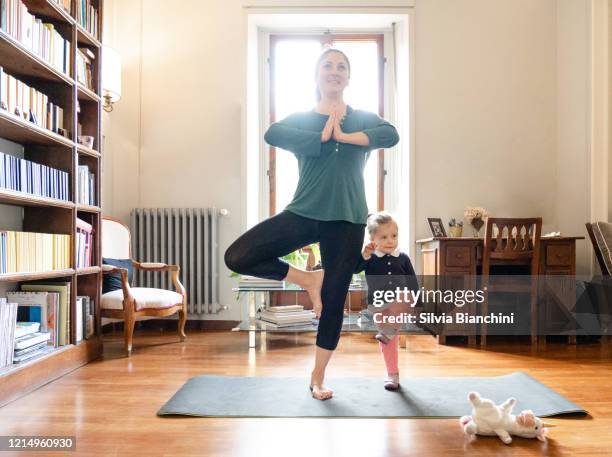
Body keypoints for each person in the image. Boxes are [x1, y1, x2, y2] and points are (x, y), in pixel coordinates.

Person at [224, 48, 399, 400]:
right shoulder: (302, 118)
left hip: (347, 218)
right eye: (327, 65)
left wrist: (345, 136)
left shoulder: (363, 117)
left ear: (348, 77)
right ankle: (307, 277)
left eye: (341, 67)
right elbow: (273, 134)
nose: (334, 71)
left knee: (333, 299)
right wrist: (321, 135)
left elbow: (390, 135)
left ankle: (317, 377)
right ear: (317, 75)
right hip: (304, 211)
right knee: (238, 255)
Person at [355, 212, 419, 391]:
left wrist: (418, 304)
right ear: (372, 238)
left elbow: (413, 282)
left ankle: (389, 331)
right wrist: (365, 255)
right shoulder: (371, 258)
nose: (390, 240)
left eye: (394, 236)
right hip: (379, 305)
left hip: (400, 305)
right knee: (389, 343)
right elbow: (355, 269)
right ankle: (392, 374)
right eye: (384, 237)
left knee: (406, 296)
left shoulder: (403, 258)